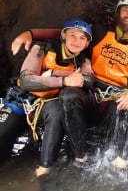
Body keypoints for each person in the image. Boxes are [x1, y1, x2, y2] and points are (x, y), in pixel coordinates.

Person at [11, 0, 128, 169]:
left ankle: (118, 159)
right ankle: (80, 155)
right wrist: (31, 33)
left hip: (114, 93)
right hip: (90, 90)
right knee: (69, 95)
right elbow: (68, 32)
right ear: (118, 13)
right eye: (125, 10)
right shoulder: (99, 32)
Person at [3, 18, 93, 176]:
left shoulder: (83, 60)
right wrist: (63, 80)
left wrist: (53, 73)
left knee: (57, 110)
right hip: (20, 101)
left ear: (87, 43)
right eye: (72, 35)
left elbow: (89, 80)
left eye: (82, 38)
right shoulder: (42, 47)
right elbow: (26, 80)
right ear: (63, 36)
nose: (76, 41)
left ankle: (45, 167)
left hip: (45, 106)